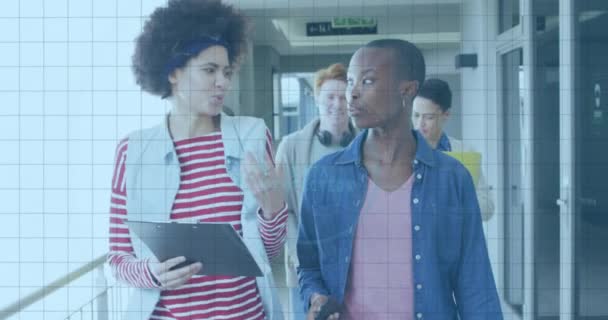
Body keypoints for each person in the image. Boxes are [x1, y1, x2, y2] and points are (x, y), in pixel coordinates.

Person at [297, 39, 503, 320]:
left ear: (407, 90)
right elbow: (309, 267)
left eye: (367, 81)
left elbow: (476, 285)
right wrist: (316, 298)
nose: (352, 94)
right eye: (350, 82)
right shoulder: (322, 177)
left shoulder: (453, 180)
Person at [107, 1, 287, 319]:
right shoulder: (132, 152)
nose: (223, 82)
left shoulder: (254, 136)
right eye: (209, 70)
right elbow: (119, 259)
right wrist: (151, 272)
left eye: (227, 71)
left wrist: (273, 210)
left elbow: (269, 253)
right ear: (174, 72)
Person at [275, 63, 355, 320]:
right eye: (330, 96)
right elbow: (282, 209)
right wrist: (303, 254)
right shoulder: (291, 147)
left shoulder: (368, 144)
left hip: (354, 267)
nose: (337, 104)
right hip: (306, 269)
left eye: (343, 97)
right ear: (316, 98)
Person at [412, 78, 495, 221]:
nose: (420, 124)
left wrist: (454, 203)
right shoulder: (400, 151)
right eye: (416, 115)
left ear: (446, 115)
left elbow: (488, 208)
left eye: (429, 117)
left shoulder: (464, 152)